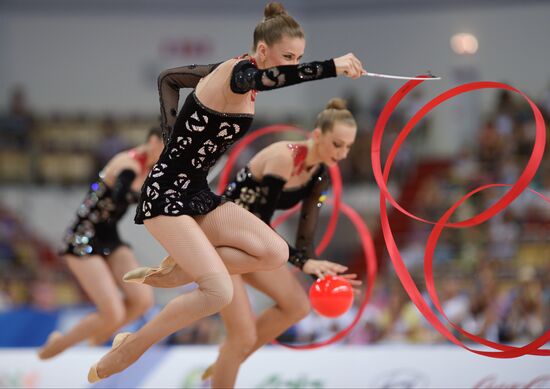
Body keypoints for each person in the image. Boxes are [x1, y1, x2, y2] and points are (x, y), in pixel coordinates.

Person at [87, 2, 365, 382]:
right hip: (166, 194)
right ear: (262, 51)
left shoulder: (239, 78)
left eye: (297, 58)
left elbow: (170, 79)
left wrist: (173, 138)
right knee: (219, 292)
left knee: (275, 251)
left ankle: (178, 271)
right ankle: (131, 346)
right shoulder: (238, 73)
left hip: (198, 192)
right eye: (286, 57)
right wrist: (331, 66)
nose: (289, 65)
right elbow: (173, 79)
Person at [126, 98, 362, 388]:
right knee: (242, 336)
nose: (343, 153)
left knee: (297, 305)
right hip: (224, 238)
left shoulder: (320, 175)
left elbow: (305, 238)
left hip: (253, 248)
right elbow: (261, 226)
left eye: (348, 147)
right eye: (338, 144)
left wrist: (316, 269)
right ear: (317, 135)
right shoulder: (282, 157)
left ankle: (228, 358)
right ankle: (230, 355)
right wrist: (302, 261)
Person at [37, 128, 164, 360]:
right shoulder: (129, 162)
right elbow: (120, 192)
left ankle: (96, 340)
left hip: (109, 236)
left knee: (143, 300)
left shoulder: (151, 169)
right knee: (113, 312)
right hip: (83, 236)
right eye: (166, 146)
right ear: (154, 141)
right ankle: (58, 345)